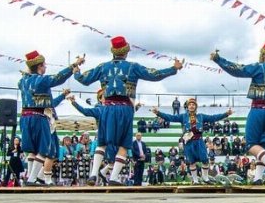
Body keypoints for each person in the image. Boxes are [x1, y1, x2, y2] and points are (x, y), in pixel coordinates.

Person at [73, 36, 182, 186]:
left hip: (107, 108)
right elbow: (154, 75)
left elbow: (83, 80)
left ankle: (93, 175)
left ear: (113, 51)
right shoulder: (133, 67)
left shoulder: (102, 67)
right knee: (124, 145)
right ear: (126, 52)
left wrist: (76, 70)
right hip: (125, 108)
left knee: (102, 142)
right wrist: (174, 68)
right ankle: (113, 178)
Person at [210, 41, 265, 185]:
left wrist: (218, 59)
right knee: (262, 146)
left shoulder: (259, 67)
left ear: (263, 54)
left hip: (259, 109)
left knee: (251, 143)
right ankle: (258, 178)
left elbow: (237, 69)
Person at [18, 50, 83, 186]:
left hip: (25, 117)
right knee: (44, 149)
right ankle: (32, 179)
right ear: (39, 66)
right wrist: (74, 66)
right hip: (39, 116)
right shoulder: (42, 80)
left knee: (32, 150)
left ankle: (32, 177)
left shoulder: (21, 81)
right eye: (44, 65)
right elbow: (58, 78)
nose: (46, 67)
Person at [152, 98, 232, 184]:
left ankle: (205, 178)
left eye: (193, 105)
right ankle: (195, 180)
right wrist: (158, 113)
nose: (191, 106)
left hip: (199, 141)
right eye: (190, 104)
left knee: (205, 160)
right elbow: (171, 117)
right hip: (189, 142)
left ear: (196, 107)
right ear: (187, 106)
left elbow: (213, 117)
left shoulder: (201, 116)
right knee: (191, 162)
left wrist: (226, 114)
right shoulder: (183, 116)